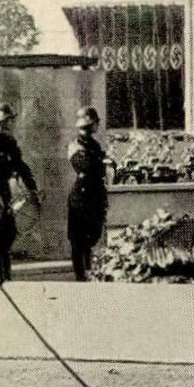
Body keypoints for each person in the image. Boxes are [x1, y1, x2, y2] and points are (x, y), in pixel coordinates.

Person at [0, 102, 41, 282]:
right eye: (8, 120)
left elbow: (21, 167)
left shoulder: (10, 143)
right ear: (1, 122)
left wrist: (32, 189)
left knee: (6, 238)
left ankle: (6, 279)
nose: (11, 123)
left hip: (5, 194)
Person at [66, 106, 108, 281]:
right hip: (81, 196)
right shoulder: (76, 145)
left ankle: (88, 271)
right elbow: (85, 166)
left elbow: (100, 169)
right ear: (90, 124)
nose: (97, 126)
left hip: (95, 193)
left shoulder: (94, 145)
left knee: (93, 234)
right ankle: (81, 274)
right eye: (95, 123)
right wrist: (101, 164)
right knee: (78, 239)